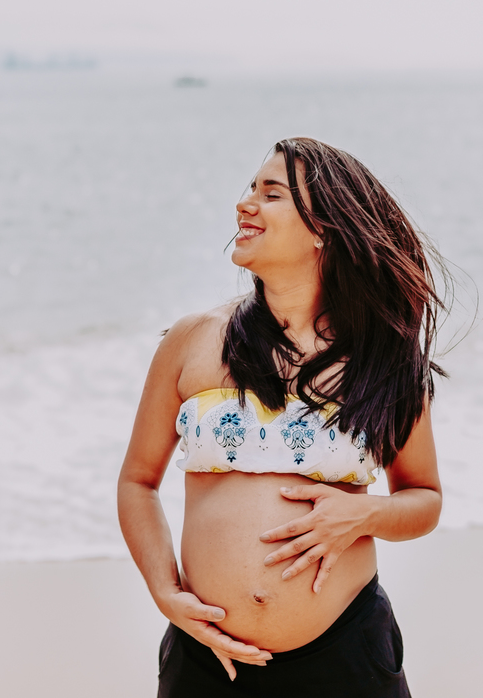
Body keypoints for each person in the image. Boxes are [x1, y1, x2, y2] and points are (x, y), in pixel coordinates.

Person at [117, 137, 448, 697]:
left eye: (271, 194)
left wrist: (362, 515)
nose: (245, 203)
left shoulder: (382, 357)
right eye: (251, 188)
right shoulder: (193, 340)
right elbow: (137, 482)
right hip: (206, 657)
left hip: (346, 652)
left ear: (324, 229)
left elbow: (424, 498)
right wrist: (164, 591)